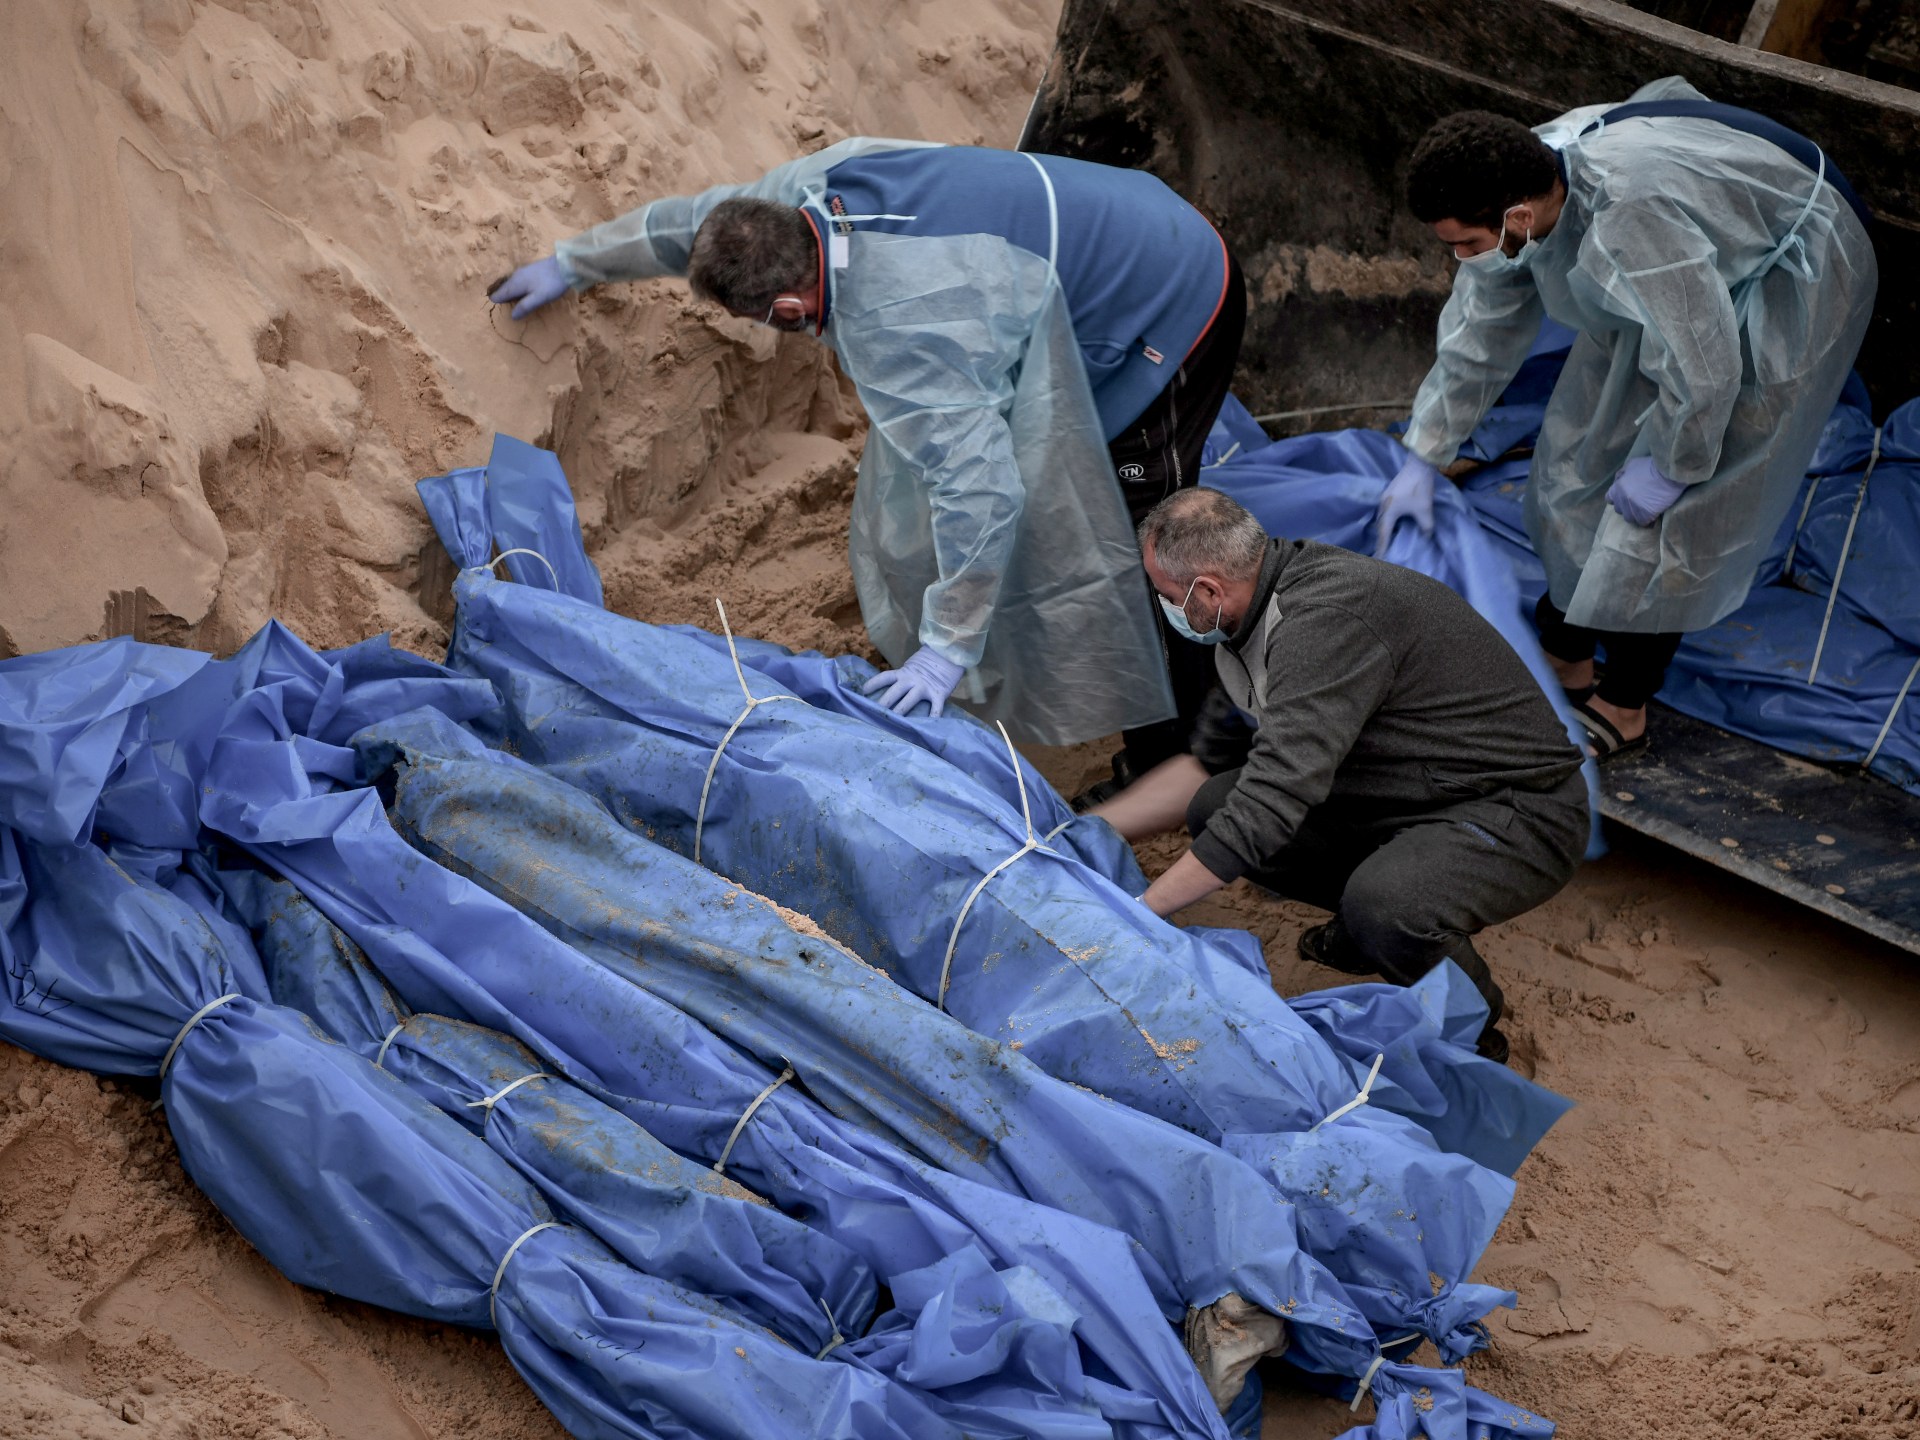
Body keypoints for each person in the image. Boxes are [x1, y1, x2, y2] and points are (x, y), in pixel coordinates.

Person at [489, 139, 1244, 752]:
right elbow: (697, 226)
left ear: (790, 307)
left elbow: (981, 490)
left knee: (1142, 533)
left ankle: (1182, 753)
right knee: (1012, 476)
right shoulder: (804, 194)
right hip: (1098, 223)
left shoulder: (904, 326)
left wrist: (945, 651)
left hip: (1170, 294)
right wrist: (575, 261)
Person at [1377, 77, 1877, 760]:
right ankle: (1565, 653)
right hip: (1684, 245)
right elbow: (1478, 335)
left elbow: (1707, 370)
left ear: (1517, 218)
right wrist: (1424, 454)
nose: (1460, 258)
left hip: (1797, 255)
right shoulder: (1524, 178)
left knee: (1674, 512)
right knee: (1574, 464)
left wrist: (1675, 469)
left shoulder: (1633, 224)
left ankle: (1627, 700)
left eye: (1466, 243)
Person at [1094, 488, 1589, 1062]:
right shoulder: (1245, 619)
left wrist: (1142, 915)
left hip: (1518, 808)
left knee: (1388, 905)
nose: (1165, 608)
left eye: (1165, 596)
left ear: (1207, 590)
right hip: (1409, 786)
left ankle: (1471, 1030)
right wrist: (1084, 830)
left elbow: (1275, 795)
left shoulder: (1324, 623)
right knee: (1214, 805)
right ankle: (1368, 929)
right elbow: (1206, 764)